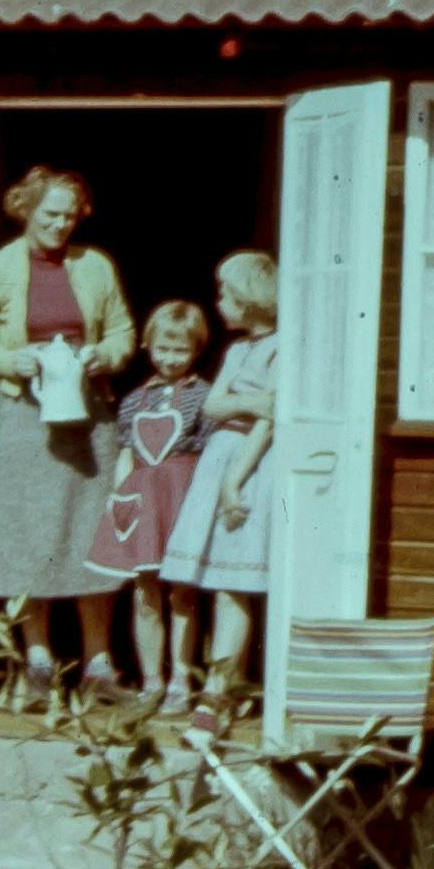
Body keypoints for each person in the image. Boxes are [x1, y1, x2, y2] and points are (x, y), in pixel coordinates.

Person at [0, 167, 134, 698]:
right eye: (50, 215)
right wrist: (8, 360)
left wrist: (104, 355)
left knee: (93, 530)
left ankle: (98, 663)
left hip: (89, 417)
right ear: (26, 210)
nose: (61, 225)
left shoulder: (95, 266)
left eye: (70, 215)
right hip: (24, 419)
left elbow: (121, 330)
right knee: (28, 530)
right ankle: (38, 657)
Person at [161, 250, 279, 708]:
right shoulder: (236, 349)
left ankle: (220, 688)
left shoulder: (280, 347)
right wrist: (246, 404)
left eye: (227, 294)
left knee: (233, 581)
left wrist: (234, 482)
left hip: (250, 462)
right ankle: (214, 682)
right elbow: (212, 406)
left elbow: (270, 421)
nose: (220, 302)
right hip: (220, 454)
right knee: (208, 575)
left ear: (249, 299)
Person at [84, 299, 212, 699]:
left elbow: (211, 454)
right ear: (147, 346)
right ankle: (152, 680)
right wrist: (119, 499)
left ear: (196, 350)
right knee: (144, 592)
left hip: (182, 498)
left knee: (183, 593)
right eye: (163, 349)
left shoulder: (203, 395)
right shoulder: (133, 400)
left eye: (181, 350)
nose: (170, 359)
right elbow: (126, 452)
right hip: (145, 504)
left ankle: (181, 679)